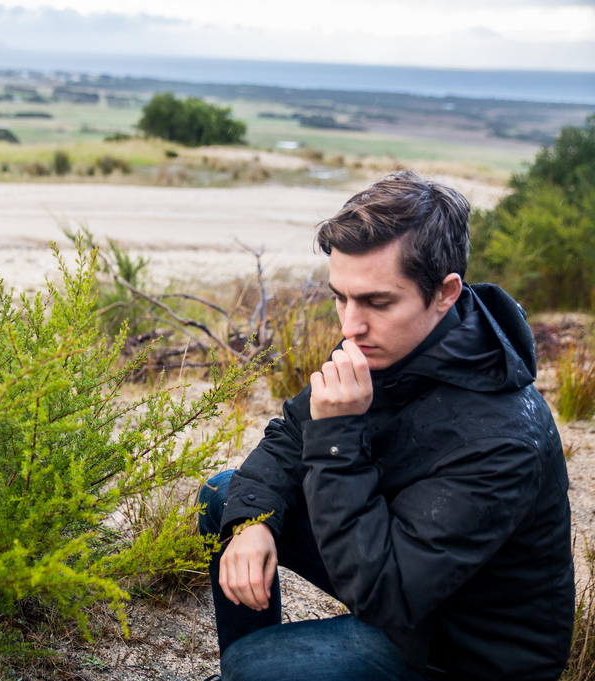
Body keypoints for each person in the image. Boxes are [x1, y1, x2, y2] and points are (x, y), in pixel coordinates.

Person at [199, 170, 574, 681]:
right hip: (397, 573)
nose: (349, 325)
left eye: (376, 301)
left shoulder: (503, 438)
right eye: (340, 297)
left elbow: (386, 594)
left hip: (459, 652)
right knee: (229, 499)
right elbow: (291, 434)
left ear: (444, 293)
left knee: (255, 668)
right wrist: (251, 525)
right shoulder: (382, 343)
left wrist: (337, 437)